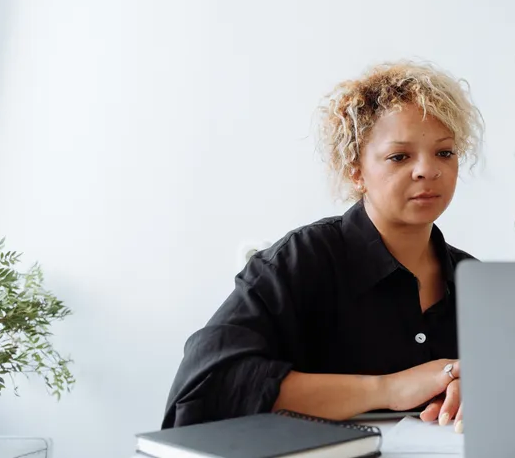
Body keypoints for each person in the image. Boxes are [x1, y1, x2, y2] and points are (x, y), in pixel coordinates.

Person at [161, 61, 483, 431]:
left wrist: (475, 394)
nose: (428, 170)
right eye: (399, 156)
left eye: (445, 152)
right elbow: (209, 385)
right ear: (355, 169)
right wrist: (388, 389)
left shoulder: (475, 280)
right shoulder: (299, 261)